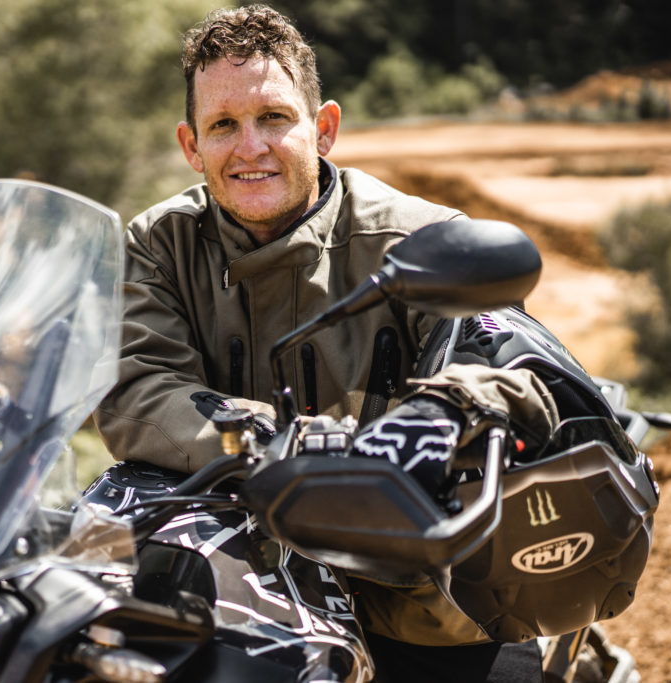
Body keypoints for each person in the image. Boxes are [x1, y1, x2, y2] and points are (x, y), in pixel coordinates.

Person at [95, 5, 559, 681]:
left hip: (423, 600)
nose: (250, 147)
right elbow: (137, 387)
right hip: (245, 587)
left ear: (324, 128)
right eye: (223, 125)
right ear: (192, 146)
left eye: (273, 117)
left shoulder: (420, 241)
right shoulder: (159, 244)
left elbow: (513, 370)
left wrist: (444, 415)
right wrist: (277, 439)